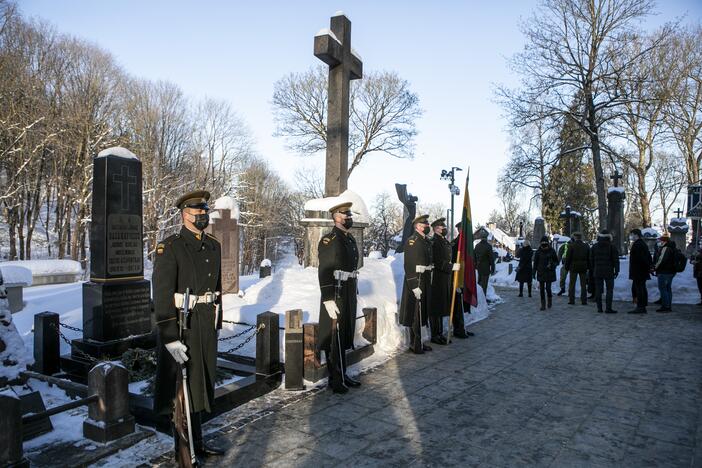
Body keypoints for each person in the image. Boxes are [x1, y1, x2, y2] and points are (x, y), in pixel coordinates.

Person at [153, 190, 226, 464]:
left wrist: (217, 320)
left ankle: (199, 442)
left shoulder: (213, 246)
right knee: (181, 391)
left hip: (205, 322)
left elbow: (216, 290)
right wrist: (169, 336)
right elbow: (161, 294)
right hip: (183, 325)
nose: (203, 216)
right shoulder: (170, 247)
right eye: (198, 213)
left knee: (199, 384)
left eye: (205, 212)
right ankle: (184, 452)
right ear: (185, 215)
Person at [318, 202, 361, 394]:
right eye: (345, 215)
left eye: (349, 214)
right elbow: (325, 269)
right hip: (335, 291)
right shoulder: (330, 240)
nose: (348, 217)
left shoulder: (348, 238)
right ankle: (335, 378)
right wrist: (327, 297)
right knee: (333, 335)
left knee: (343, 334)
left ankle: (342, 374)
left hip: (348, 289)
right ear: (336, 217)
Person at [399, 214, 434, 354]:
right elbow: (409, 264)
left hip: (424, 278)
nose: (427, 226)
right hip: (416, 280)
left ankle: (419, 340)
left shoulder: (425, 241)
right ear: (417, 226)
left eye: (427, 224)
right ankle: (414, 343)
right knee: (415, 313)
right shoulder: (412, 241)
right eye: (425, 224)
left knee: (421, 312)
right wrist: (414, 285)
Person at [430, 218, 459, 345]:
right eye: (443, 227)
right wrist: (450, 267)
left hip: (445, 278)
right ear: (436, 228)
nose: (445, 229)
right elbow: (436, 261)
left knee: (441, 307)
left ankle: (440, 333)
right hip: (437, 278)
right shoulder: (435, 242)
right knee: (436, 308)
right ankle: (435, 334)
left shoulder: (443, 241)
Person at [451, 222, 472, 338]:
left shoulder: (467, 244)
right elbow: (453, 260)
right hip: (458, 276)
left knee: (464, 304)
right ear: (458, 230)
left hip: (465, 276)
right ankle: (457, 329)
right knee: (458, 305)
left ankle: (463, 327)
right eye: (462, 229)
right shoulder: (455, 244)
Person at [590, 229, 620, 314]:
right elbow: (615, 260)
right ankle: (608, 308)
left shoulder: (594, 246)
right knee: (609, 290)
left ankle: (599, 308)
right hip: (609, 271)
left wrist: (593, 268)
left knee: (598, 290)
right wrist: (617, 270)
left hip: (597, 271)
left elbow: (591, 259)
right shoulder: (612, 247)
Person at [627, 229, 652, 314]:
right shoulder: (642, 244)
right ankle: (642, 306)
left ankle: (640, 306)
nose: (631, 236)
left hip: (639, 271)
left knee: (639, 289)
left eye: (632, 234)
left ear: (636, 235)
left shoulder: (638, 244)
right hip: (641, 271)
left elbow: (640, 259)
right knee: (641, 288)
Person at [532, 236, 558, 310]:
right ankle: (543, 304)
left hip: (549, 273)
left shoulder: (552, 251)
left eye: (545, 243)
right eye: (542, 243)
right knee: (542, 289)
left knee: (548, 288)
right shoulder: (538, 252)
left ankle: (549, 300)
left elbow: (556, 261)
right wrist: (533, 272)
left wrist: (552, 264)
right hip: (541, 272)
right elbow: (535, 263)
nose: (544, 244)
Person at [653, 234, 676, 313]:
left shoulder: (665, 248)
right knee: (668, 289)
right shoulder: (671, 248)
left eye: (660, 241)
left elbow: (661, 260)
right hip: (670, 271)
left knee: (663, 289)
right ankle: (668, 305)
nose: (659, 242)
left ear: (664, 241)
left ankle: (665, 306)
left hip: (664, 271)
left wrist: (655, 267)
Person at [565, 232, 589, 305]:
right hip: (583, 266)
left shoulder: (571, 246)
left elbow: (568, 258)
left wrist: (567, 267)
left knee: (572, 284)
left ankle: (572, 300)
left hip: (573, 266)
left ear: (575, 237)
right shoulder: (586, 246)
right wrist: (588, 266)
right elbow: (589, 257)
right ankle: (584, 300)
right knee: (583, 284)